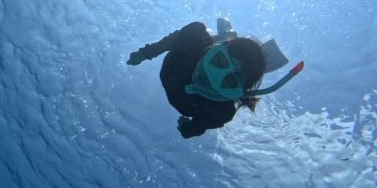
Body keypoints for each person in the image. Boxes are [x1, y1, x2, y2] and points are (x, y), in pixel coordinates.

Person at [127, 20, 303, 138]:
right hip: (199, 49)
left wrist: (190, 128)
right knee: (202, 34)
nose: (211, 77)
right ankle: (228, 36)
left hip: (177, 71)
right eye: (218, 61)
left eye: (229, 82)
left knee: (221, 47)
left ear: (237, 92)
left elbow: (199, 126)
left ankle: (231, 43)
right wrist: (147, 52)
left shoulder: (221, 112)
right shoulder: (193, 41)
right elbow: (174, 39)